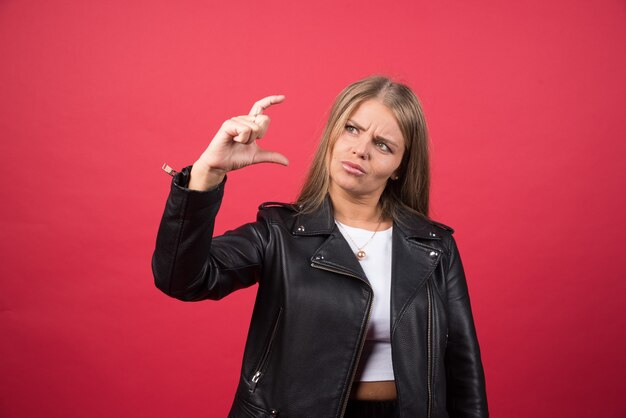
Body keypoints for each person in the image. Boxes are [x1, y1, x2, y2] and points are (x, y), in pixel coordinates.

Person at [152, 76, 488, 418]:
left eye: (383, 145)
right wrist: (207, 174)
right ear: (333, 132)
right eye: (352, 129)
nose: (361, 149)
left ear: (400, 167)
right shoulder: (280, 233)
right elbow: (182, 278)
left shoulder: (433, 246)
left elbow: (463, 364)